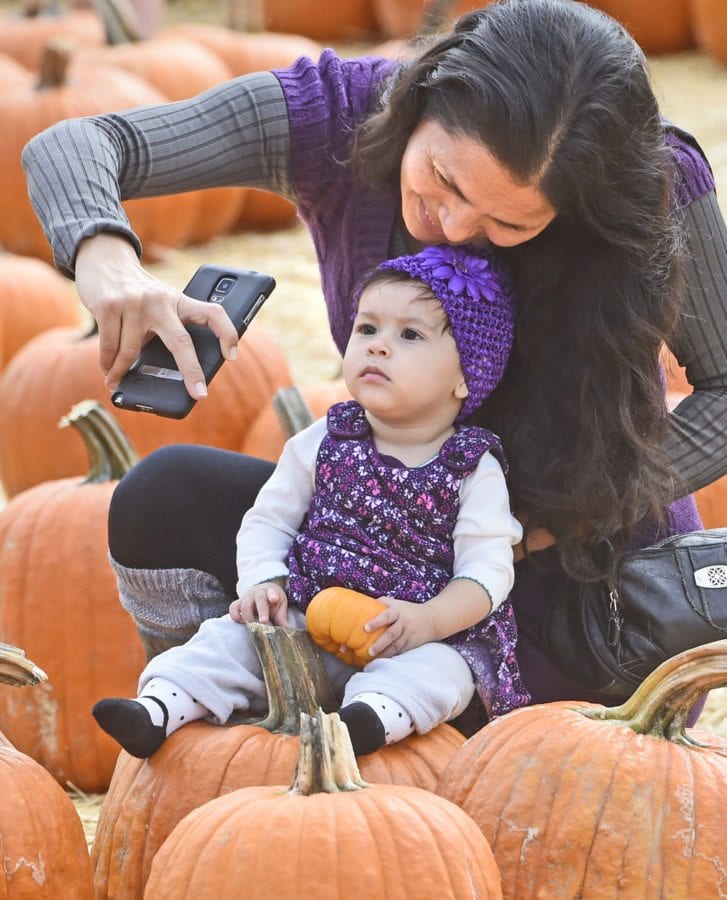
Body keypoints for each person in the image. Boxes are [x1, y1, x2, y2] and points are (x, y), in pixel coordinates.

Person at [22, 0, 727, 716]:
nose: (452, 227)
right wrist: (109, 264)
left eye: (508, 223)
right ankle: (214, 730)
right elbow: (77, 144)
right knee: (166, 495)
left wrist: (555, 515)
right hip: (378, 546)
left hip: (576, 585)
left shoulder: (648, 178)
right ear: (423, 99)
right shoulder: (336, 114)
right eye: (443, 180)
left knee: (472, 760)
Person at [92, 244, 527, 758]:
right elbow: (269, 519)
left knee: (445, 674)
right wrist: (263, 582)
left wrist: (429, 620)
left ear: (465, 376)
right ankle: (159, 706)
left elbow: (487, 572)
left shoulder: (472, 467)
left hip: (411, 635)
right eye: (367, 329)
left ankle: (364, 723)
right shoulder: (328, 436)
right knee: (227, 641)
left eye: (409, 335)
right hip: (307, 612)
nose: (378, 347)